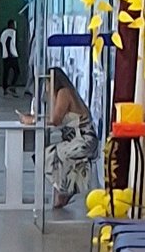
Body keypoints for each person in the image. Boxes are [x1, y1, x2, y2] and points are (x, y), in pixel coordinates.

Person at [24, 66, 98, 209]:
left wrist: (32, 120)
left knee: (48, 155)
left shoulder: (64, 93)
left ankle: (65, 189)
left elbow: (55, 120)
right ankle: (64, 189)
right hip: (77, 139)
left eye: (47, 83)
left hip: (84, 140)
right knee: (52, 154)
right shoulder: (62, 94)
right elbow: (53, 117)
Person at [0, 19, 21, 93]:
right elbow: (8, 42)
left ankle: (5, 88)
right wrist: (10, 54)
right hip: (11, 56)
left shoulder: (3, 33)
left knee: (6, 72)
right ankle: (12, 85)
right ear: (11, 25)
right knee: (17, 71)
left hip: (5, 56)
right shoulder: (11, 32)